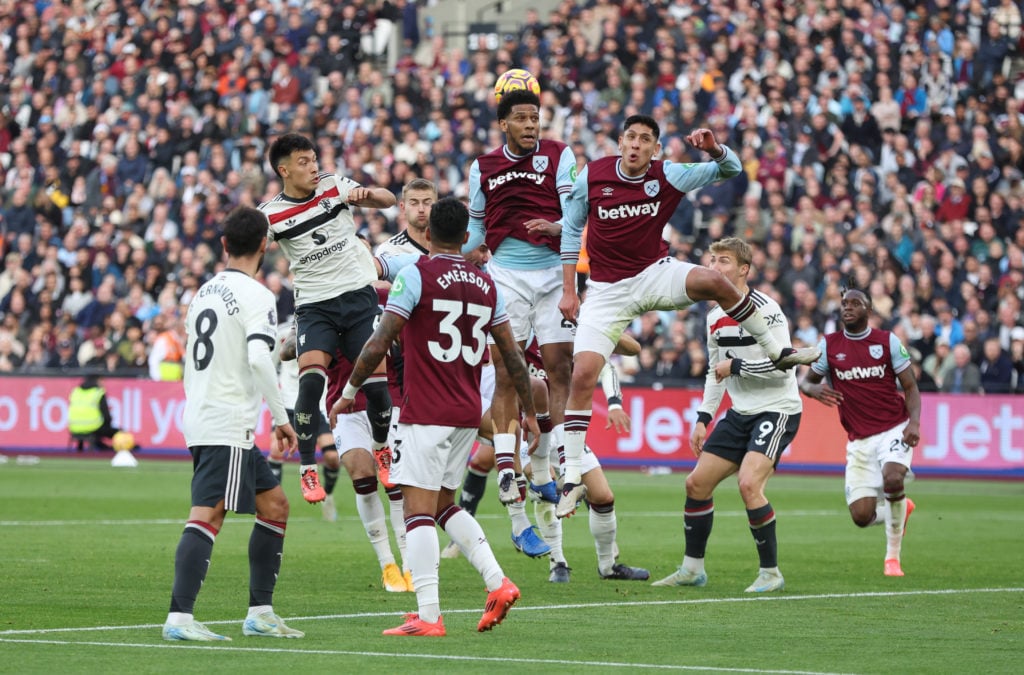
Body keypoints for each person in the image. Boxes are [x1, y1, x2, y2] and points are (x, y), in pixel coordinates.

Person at [556, 116, 819, 521]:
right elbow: (572, 229)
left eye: (646, 140)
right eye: (630, 138)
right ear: (620, 141)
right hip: (607, 290)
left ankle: (777, 350)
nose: (636, 145)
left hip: (654, 273)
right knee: (582, 375)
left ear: (655, 149)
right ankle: (572, 476)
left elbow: (732, 170)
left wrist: (715, 149)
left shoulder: (670, 174)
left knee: (713, 279)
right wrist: (570, 288)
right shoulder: (594, 175)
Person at [330, 197, 539, 637]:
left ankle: (428, 616)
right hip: (466, 411)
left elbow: (378, 343)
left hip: (425, 412)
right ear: (467, 238)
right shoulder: (486, 284)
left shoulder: (416, 275)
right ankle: (498, 582)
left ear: (427, 235)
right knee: (444, 504)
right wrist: (531, 414)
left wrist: (350, 392)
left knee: (417, 512)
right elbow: (513, 358)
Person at [162, 205, 302, 641]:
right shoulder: (258, 296)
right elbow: (260, 358)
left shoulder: (203, 292)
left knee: (275, 505)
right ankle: (179, 618)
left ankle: (260, 612)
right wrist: (281, 418)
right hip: (228, 421)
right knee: (209, 513)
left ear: (224, 245)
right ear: (266, 245)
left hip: (205, 412)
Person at [652, 238, 801, 593]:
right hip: (739, 412)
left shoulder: (767, 310)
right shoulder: (715, 316)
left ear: (744, 269)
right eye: (712, 260)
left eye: (724, 261)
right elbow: (714, 372)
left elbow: (784, 368)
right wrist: (703, 417)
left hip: (777, 409)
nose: (714, 267)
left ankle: (770, 573)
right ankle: (692, 569)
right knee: (696, 484)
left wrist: (736, 366)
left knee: (749, 484)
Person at [259, 132, 397, 503]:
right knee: (309, 385)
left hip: (358, 299)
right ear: (284, 170)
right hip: (315, 307)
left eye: (314, 158)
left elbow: (389, 199)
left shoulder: (334, 185)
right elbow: (249, 247)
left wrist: (365, 195)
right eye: (303, 162)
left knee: (377, 385)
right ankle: (307, 469)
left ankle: (382, 448)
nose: (313, 166)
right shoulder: (270, 214)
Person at [464, 89, 577, 507]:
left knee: (558, 366)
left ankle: (554, 463)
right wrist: (449, 258)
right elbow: (476, 231)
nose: (532, 125)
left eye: (536, 118)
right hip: (506, 274)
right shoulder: (484, 166)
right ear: (504, 124)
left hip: (551, 274)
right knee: (507, 369)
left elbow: (573, 214)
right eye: (523, 119)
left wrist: (557, 226)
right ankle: (508, 470)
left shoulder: (559, 154)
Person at [800, 288, 921, 577]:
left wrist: (914, 423)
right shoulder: (829, 346)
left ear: (869, 310)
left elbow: (910, 387)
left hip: (894, 427)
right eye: (844, 304)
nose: (848, 308)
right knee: (861, 517)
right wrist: (812, 388)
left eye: (856, 303)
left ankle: (892, 559)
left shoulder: (886, 341)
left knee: (893, 478)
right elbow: (805, 382)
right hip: (859, 440)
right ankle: (900, 510)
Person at [267, 322, 340, 522]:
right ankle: (274, 501)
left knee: (333, 457)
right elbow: (269, 364)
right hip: (287, 403)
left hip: (318, 403)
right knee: (275, 449)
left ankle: (329, 495)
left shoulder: (324, 327)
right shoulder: (282, 332)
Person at [375, 178, 434, 257]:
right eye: (414, 203)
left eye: (427, 203)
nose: (421, 209)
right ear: (403, 208)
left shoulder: (450, 244)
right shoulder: (391, 250)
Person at [67, 374, 120, 451]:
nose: (103, 383)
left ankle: (104, 448)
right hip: (93, 427)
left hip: (74, 428)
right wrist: (108, 426)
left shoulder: (75, 391)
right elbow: (106, 416)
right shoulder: (98, 393)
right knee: (118, 432)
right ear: (97, 380)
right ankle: (114, 450)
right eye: (102, 381)